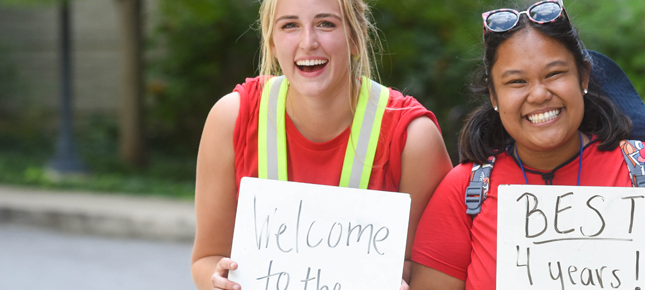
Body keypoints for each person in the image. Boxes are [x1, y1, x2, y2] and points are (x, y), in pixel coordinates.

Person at [407, 0, 645, 289]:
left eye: (554, 74)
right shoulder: (464, 191)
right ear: (494, 95)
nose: (539, 94)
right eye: (517, 82)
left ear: (583, 77)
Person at [190, 0, 453, 289]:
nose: (308, 42)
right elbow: (206, 258)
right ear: (272, 44)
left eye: (326, 23)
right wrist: (216, 281)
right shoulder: (232, 119)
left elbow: (438, 275)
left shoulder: (413, 139)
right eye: (289, 25)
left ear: (356, 37)